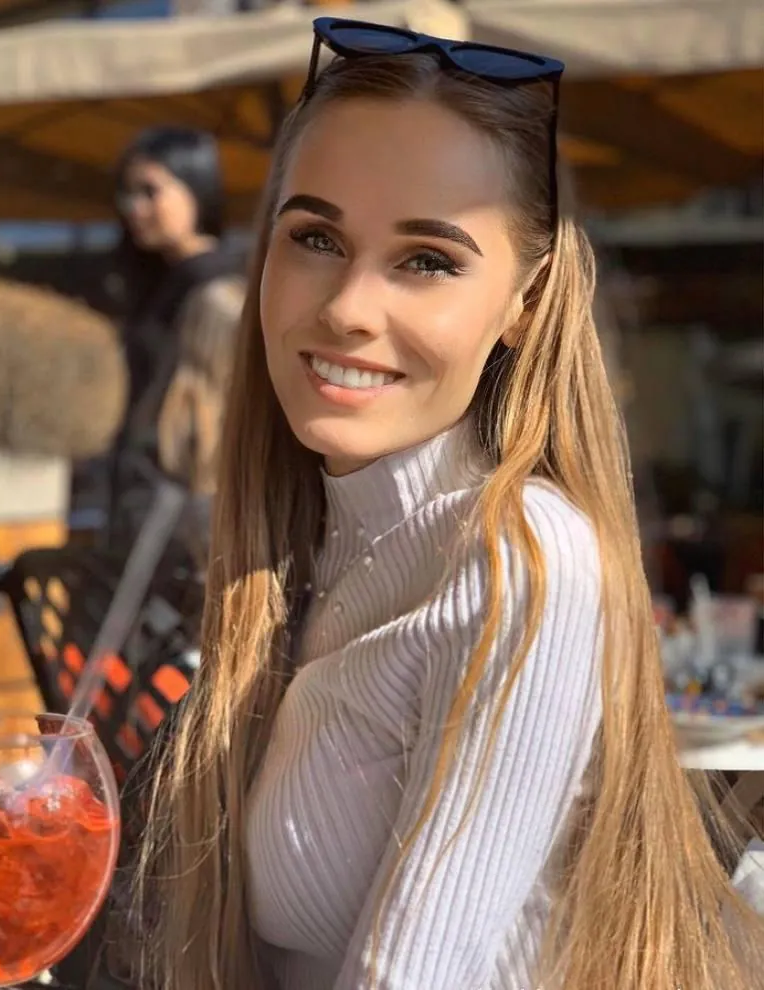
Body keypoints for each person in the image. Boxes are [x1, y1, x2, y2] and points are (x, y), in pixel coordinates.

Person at [129, 18, 764, 990]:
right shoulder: (303, 547)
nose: (348, 307)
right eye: (316, 237)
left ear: (525, 302)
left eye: (426, 259)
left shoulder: (523, 561)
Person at [108, 126, 244, 540]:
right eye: (128, 194)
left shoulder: (220, 288)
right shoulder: (159, 280)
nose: (134, 208)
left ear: (197, 188)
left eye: (150, 191)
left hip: (191, 500)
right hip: (150, 495)